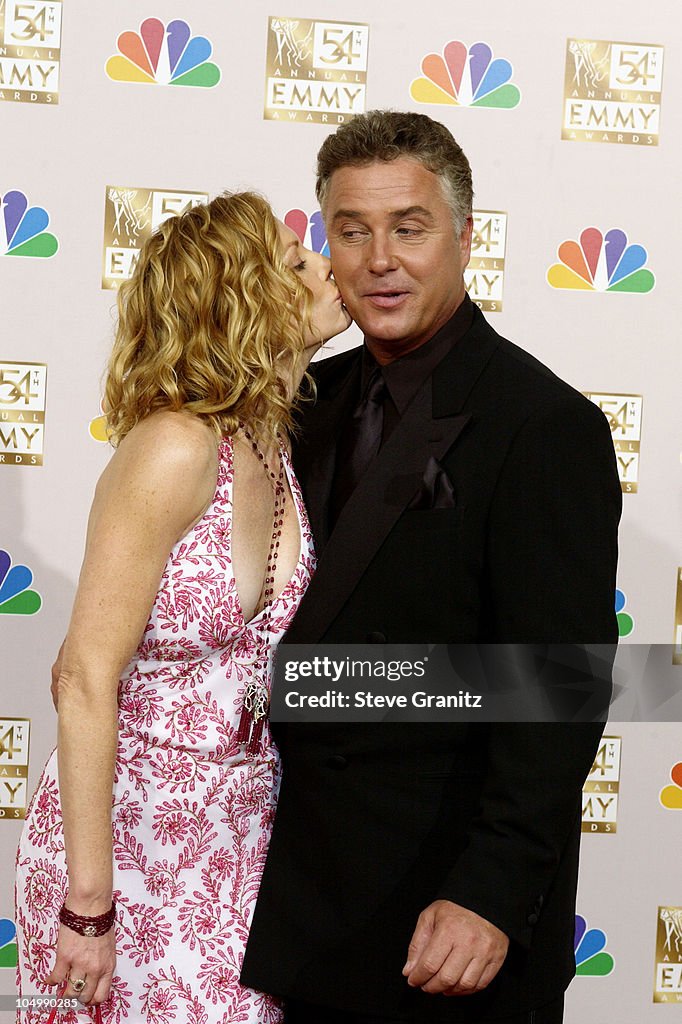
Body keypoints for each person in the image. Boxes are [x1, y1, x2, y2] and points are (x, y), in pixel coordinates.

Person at [240, 112, 622, 1023]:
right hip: (300, 903)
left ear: (464, 237)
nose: (378, 259)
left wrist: (493, 888)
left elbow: (559, 683)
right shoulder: (301, 402)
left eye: (409, 227)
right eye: (352, 229)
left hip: (443, 915)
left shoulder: (541, 425)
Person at [15, 191, 351, 1024]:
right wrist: (89, 907)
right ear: (244, 300)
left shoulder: (271, 442)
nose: (327, 266)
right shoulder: (175, 445)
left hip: (237, 837)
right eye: (296, 261)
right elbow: (87, 677)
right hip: (126, 841)